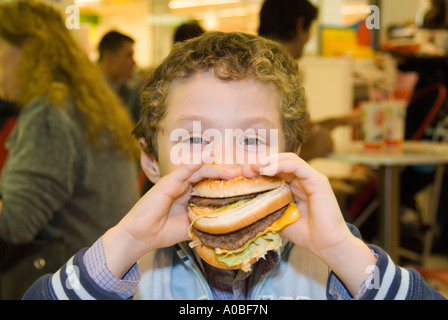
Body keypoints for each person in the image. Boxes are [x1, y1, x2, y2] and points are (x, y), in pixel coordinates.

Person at [24, 31, 445, 300]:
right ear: (151, 160)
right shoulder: (126, 268)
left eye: (251, 138)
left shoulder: (332, 262)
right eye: (193, 138)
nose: (224, 162)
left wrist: (341, 252)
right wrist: (126, 243)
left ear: (290, 159)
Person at [0, 0, 140, 299]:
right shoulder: (86, 100)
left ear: (26, 52)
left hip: (69, 278)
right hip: (105, 272)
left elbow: (15, 222)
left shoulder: (49, 111)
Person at [98, 30, 140, 122]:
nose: (134, 63)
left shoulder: (126, 91)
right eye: (129, 56)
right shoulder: (89, 91)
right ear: (109, 56)